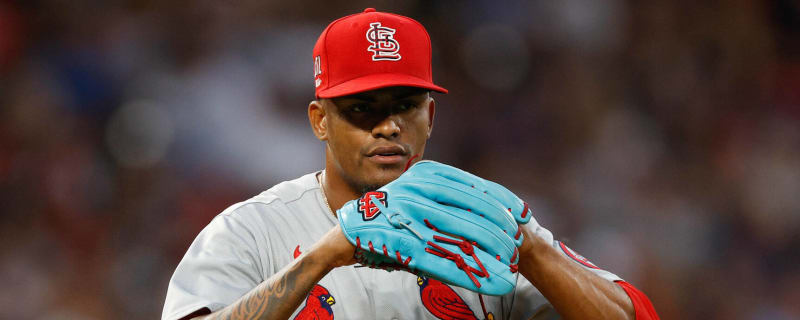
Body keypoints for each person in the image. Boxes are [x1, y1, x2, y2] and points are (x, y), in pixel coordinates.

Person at [162, 8, 659, 320]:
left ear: (431, 115)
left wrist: (531, 251)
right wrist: (322, 258)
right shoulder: (252, 231)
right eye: (363, 108)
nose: (389, 126)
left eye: (405, 105)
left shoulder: (479, 224)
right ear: (319, 120)